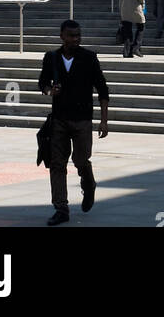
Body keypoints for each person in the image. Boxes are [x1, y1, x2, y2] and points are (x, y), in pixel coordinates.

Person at [38, 20, 110, 227]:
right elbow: (42, 83)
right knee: (57, 164)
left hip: (82, 120)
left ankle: (89, 184)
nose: (75, 39)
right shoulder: (51, 58)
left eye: (78, 35)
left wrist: (103, 121)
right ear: (62, 36)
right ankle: (61, 208)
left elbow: (103, 90)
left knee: (81, 160)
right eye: (71, 35)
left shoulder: (89, 58)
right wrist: (50, 91)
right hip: (59, 119)